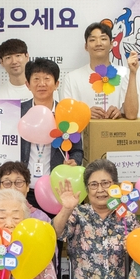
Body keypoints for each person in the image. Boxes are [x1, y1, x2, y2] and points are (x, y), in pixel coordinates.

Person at [20, 59, 82, 187]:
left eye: (47, 79)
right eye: (36, 79)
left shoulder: (67, 114)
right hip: (22, 187)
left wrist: (75, 161)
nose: (41, 84)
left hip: (55, 187)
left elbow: (77, 151)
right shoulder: (18, 112)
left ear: (56, 84)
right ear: (27, 84)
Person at [59, 22, 125, 119]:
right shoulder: (72, 78)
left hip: (118, 132)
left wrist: (121, 113)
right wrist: (85, 113)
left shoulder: (125, 74)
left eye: (103, 39)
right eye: (93, 40)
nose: (98, 43)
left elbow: (134, 112)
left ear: (111, 44)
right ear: (86, 46)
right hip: (85, 133)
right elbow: (65, 114)